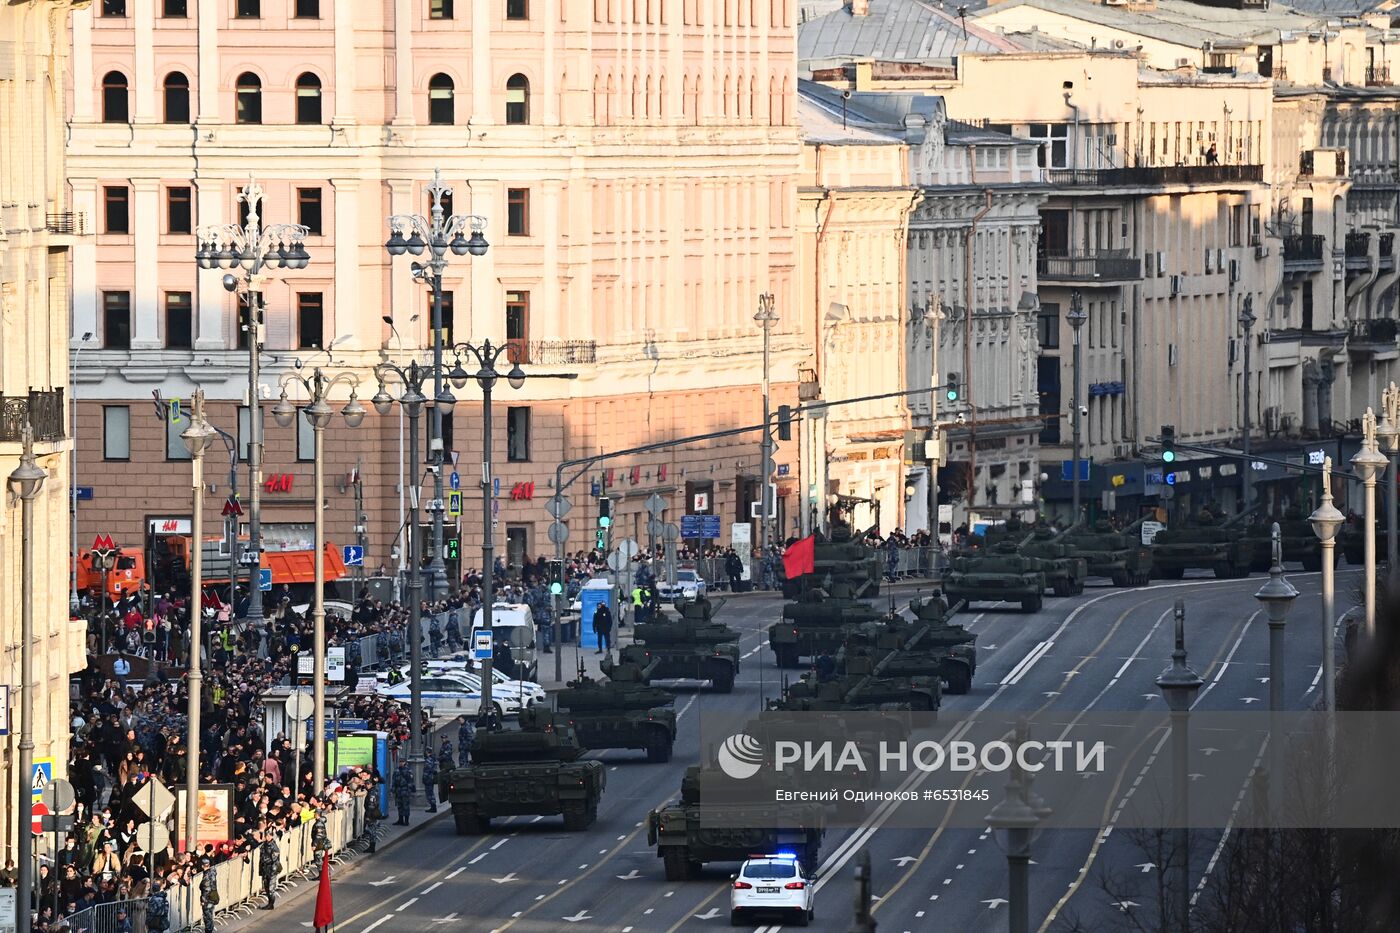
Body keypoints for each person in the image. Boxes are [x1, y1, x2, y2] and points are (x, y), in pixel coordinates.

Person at [258, 830, 280, 909]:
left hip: (272, 869)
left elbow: (275, 858)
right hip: (265, 869)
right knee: (266, 887)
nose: (267, 838)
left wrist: (266, 861)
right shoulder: (264, 845)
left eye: (269, 836)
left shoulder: (273, 846)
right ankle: (269, 903)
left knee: (271, 889)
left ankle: (271, 904)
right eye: (266, 836)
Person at [391, 761, 413, 825]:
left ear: (405, 762)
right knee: (399, 805)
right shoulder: (396, 770)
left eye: (402, 762)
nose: (401, 763)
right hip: (398, 790)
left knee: (405, 805)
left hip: (405, 790)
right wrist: (393, 790)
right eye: (400, 762)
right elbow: (394, 780)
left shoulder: (408, 770)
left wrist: (409, 790)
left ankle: (406, 820)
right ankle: (400, 820)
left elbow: (410, 781)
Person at [199, 859, 219, 931]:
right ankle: (210, 929)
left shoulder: (206, 875)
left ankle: (209, 931)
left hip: (207, 899)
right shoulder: (212, 872)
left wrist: (203, 900)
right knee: (210, 916)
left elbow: (206, 889)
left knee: (207, 917)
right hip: (212, 897)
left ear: (202, 866)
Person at [363, 785, 383, 854]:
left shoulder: (372, 792)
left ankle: (372, 847)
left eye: (367, 784)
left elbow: (371, 805)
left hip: (371, 814)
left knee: (372, 830)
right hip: (373, 813)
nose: (366, 786)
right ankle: (372, 847)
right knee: (372, 830)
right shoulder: (374, 791)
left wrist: (368, 816)